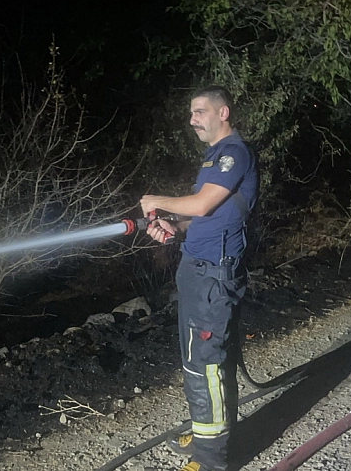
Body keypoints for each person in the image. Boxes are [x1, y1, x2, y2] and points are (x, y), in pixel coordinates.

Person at [140, 85, 257, 471]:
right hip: (197, 271)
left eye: (200, 111)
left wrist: (158, 201)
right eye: (191, 113)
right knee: (202, 362)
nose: (192, 120)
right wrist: (174, 226)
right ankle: (210, 434)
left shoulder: (234, 153)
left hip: (213, 277)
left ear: (223, 113)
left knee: (205, 366)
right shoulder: (214, 158)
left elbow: (203, 203)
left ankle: (210, 460)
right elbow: (207, 215)